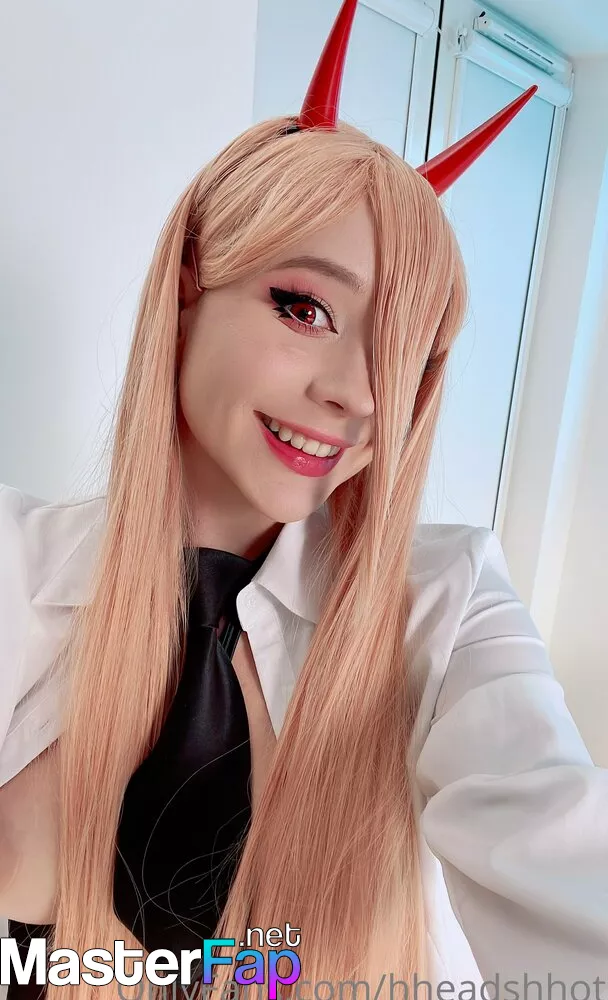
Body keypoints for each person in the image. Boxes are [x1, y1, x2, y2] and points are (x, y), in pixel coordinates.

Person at [1, 1, 607, 998]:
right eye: (305, 307)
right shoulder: (13, 565)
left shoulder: (443, 606)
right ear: (190, 282)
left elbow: (553, 836)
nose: (360, 397)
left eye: (402, 357)